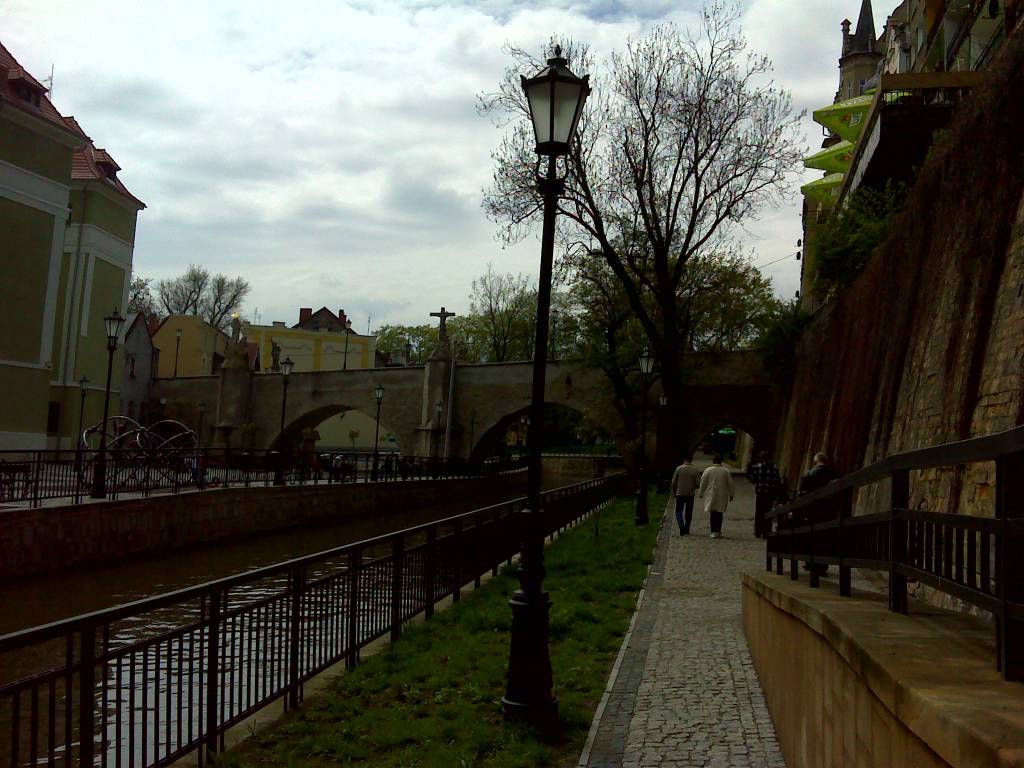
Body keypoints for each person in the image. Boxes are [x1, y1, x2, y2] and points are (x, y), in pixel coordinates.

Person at [748, 451, 783, 539]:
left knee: (759, 512)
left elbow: (752, 477)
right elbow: (777, 481)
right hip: (770, 494)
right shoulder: (774, 468)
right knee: (768, 512)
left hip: (760, 493)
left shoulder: (757, 467)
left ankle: (758, 531)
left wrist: (757, 483)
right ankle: (766, 532)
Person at [698, 455, 734, 539]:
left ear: (713, 461)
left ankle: (713, 531)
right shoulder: (725, 471)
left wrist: (701, 492)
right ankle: (718, 530)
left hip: (711, 494)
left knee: (712, 513)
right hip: (722, 494)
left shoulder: (708, 470)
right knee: (719, 513)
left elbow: (703, 482)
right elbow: (730, 484)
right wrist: (731, 494)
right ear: (721, 462)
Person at [669, 456, 702, 536]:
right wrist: (692, 487)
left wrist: (674, 491)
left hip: (679, 493)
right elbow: (698, 484)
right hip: (690, 494)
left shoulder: (679, 468)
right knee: (689, 512)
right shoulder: (695, 470)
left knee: (678, 511)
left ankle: (681, 526)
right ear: (691, 460)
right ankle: (687, 528)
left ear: (684, 460)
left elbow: (673, 482)